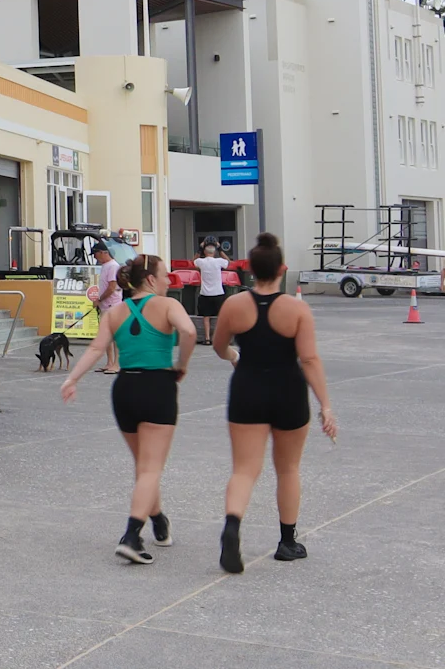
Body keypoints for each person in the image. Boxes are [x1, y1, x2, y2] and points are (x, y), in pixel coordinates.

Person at [213, 233, 337, 574]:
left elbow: (219, 346)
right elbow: (309, 359)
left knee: (244, 469)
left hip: (247, 390)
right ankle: (287, 542)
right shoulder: (297, 309)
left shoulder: (234, 305)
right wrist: (325, 404)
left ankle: (232, 526)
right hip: (288, 392)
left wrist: (234, 356)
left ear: (251, 269)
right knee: (288, 468)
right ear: (282, 269)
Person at [61, 255, 196, 564]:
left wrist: (72, 379)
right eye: (165, 275)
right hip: (157, 386)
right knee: (150, 468)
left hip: (125, 389)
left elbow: (96, 348)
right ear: (150, 279)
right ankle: (132, 536)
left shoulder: (115, 312)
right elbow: (189, 332)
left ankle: (158, 519)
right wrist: (182, 364)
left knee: (144, 465)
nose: (168, 280)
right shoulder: (168, 305)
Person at [90, 241, 123, 374]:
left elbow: (112, 287)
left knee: (115, 335)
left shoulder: (113, 266)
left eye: (96, 254)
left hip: (113, 304)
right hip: (105, 305)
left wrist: (99, 300)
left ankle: (117, 364)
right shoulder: (105, 266)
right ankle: (109, 362)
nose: (95, 257)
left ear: (103, 253)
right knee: (106, 335)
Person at [195, 242, 230, 345]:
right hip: (218, 292)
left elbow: (193, 261)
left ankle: (207, 338)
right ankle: (220, 337)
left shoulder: (201, 262)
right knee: (220, 316)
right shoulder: (219, 261)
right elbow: (228, 262)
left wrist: (200, 248)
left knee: (206, 317)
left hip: (205, 293)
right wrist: (220, 249)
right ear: (214, 252)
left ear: (205, 252)